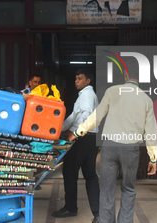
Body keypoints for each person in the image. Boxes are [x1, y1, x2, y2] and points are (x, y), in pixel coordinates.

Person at [69, 59, 157, 223]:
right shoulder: (146, 100)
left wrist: (78, 131)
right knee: (128, 189)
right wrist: (153, 157)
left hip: (109, 147)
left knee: (107, 188)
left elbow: (96, 116)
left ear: (125, 75)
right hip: (131, 149)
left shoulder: (112, 91)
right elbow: (151, 131)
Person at [52, 69, 100, 223]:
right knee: (90, 175)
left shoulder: (86, 94)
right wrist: (59, 128)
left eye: (80, 79)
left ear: (88, 81)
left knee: (69, 170)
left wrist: (75, 133)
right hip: (92, 138)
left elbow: (84, 115)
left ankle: (71, 208)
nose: (76, 81)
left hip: (83, 137)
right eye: (75, 79)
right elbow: (74, 116)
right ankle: (98, 213)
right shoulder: (86, 95)